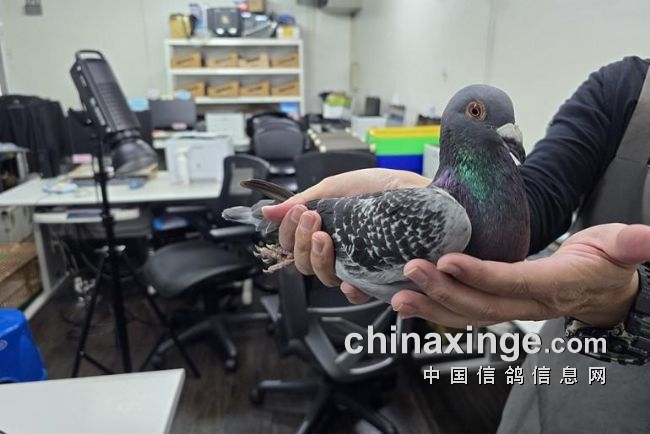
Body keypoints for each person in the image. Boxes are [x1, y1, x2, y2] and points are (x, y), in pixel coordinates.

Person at [262, 55, 650, 432]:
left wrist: (635, 299)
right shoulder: (623, 88)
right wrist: (418, 203)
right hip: (568, 365)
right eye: (478, 113)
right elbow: (544, 197)